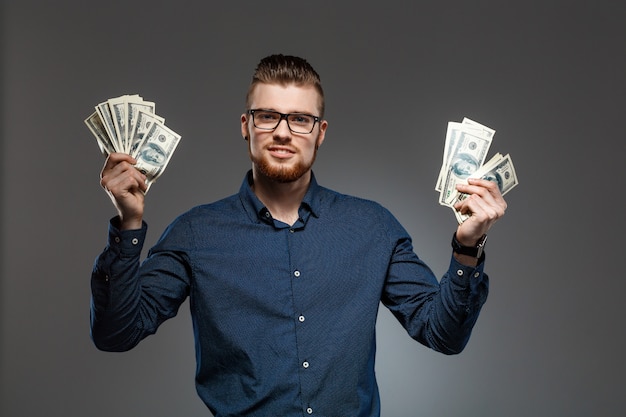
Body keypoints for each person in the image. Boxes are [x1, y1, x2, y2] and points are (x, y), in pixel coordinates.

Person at [92, 54, 507, 417]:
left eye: (301, 119)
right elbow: (117, 333)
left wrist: (466, 248)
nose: (284, 132)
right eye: (268, 115)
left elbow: (442, 334)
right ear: (246, 125)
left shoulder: (372, 227)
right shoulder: (195, 233)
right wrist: (128, 225)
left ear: (320, 132)